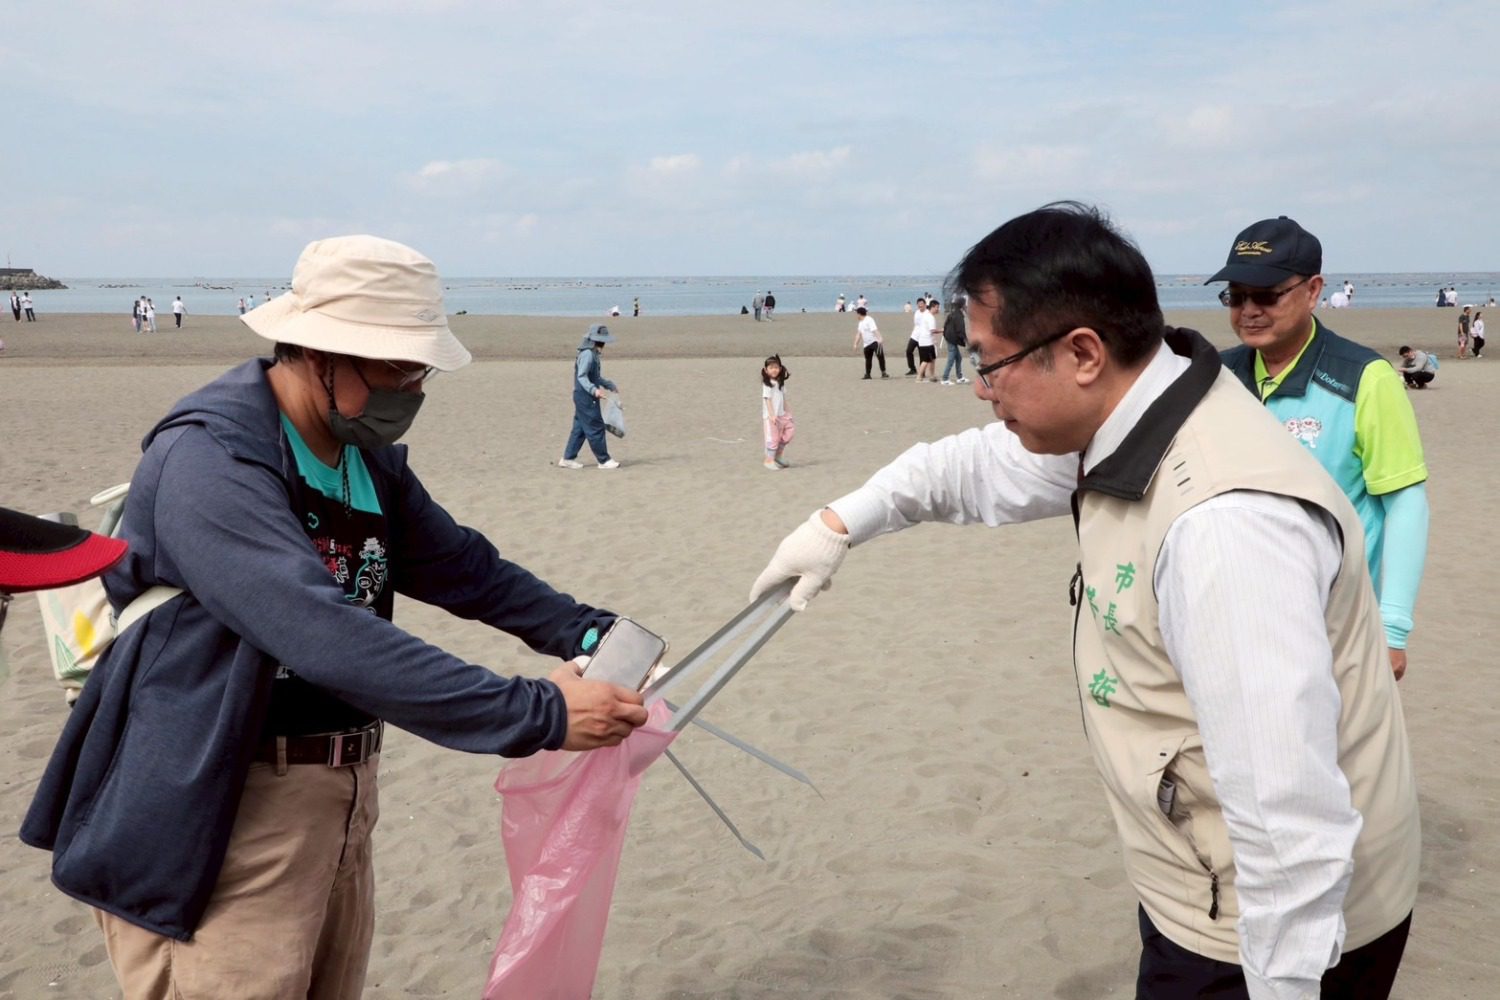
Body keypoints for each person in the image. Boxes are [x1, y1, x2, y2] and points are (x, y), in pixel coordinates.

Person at [750, 202, 1419, 999]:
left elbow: (1289, 825)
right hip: (1196, 879)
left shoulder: (1224, 527)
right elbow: (971, 469)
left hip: (1261, 934)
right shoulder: (1136, 414)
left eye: (992, 365)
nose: (980, 389)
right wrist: (837, 525)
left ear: (1082, 353)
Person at [20, 235, 649, 998]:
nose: (413, 387)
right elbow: (324, 633)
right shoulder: (210, 459)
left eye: (420, 369)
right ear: (317, 352)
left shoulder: (361, 453)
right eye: (395, 367)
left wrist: (593, 633)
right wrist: (539, 713)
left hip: (341, 793)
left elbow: (462, 567)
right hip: (224, 801)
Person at [1209, 216, 1428, 682]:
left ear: (1313, 291)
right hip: (1234, 621)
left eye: (1266, 295)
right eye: (1236, 295)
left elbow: (1405, 503)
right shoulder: (1216, 377)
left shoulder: (1364, 378)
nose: (1248, 310)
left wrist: (1392, 630)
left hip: (1335, 628)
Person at [558, 324, 621, 470]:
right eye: (601, 341)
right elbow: (582, 376)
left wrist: (608, 384)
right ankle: (604, 460)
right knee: (595, 427)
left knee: (579, 428)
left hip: (583, 396)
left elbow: (595, 377)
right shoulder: (587, 354)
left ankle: (568, 458)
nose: (603, 344)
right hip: (585, 397)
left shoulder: (593, 354)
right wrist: (594, 390)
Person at [760, 354, 793, 470]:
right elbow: (767, 400)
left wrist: (788, 413)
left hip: (782, 414)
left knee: (789, 432)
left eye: (776, 367)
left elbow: (784, 399)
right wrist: (772, 415)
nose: (774, 370)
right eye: (771, 367)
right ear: (766, 370)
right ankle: (769, 460)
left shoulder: (780, 383)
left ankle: (778, 456)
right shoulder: (767, 384)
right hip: (771, 417)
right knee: (772, 438)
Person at [939, 294, 969, 385]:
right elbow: (960, 330)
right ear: (962, 305)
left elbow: (945, 325)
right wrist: (966, 340)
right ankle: (945, 378)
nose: (966, 306)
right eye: (965, 304)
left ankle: (959, 377)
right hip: (952, 339)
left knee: (958, 358)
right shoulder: (958, 315)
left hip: (950, 338)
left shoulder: (953, 313)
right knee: (951, 359)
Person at [853, 305, 887, 379]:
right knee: (868, 359)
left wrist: (880, 338)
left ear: (859, 314)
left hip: (875, 341)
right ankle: (868, 374)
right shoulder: (860, 323)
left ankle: (883, 372)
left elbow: (875, 330)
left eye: (857, 313)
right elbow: (859, 334)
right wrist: (855, 344)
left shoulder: (869, 319)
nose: (856, 315)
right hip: (866, 344)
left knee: (880, 357)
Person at [904, 299, 928, 376]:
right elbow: (916, 324)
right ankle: (912, 369)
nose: (920, 305)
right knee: (908, 351)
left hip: (923, 337)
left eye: (921, 303)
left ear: (925, 304)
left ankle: (922, 372)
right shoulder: (917, 312)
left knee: (922, 354)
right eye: (918, 304)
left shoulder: (928, 313)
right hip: (915, 335)